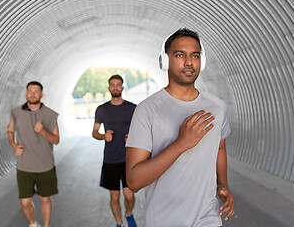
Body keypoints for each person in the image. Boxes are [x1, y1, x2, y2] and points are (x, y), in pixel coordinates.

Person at [126, 28, 235, 227]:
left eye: (195, 55)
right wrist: (181, 144)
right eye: (179, 55)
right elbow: (133, 181)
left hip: (207, 218)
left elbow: (220, 147)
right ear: (165, 61)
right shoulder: (147, 110)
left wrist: (223, 185)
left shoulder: (218, 108)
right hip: (164, 220)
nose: (188, 62)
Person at [7, 81, 59, 227]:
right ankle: (33, 224)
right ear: (26, 93)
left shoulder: (50, 115)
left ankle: (47, 225)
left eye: (36, 91)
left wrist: (42, 131)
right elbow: (10, 130)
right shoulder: (16, 113)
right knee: (25, 202)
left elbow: (56, 140)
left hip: (45, 166)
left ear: (41, 95)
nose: (33, 94)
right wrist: (14, 145)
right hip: (24, 166)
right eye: (30, 91)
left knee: (45, 199)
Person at [92, 74, 137, 227]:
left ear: (122, 87)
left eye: (118, 84)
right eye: (112, 84)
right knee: (115, 196)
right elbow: (94, 132)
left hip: (129, 158)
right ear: (109, 88)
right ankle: (119, 223)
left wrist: (132, 137)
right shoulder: (102, 110)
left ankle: (129, 213)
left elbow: (142, 131)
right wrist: (103, 136)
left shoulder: (132, 108)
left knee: (129, 195)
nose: (115, 87)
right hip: (110, 159)